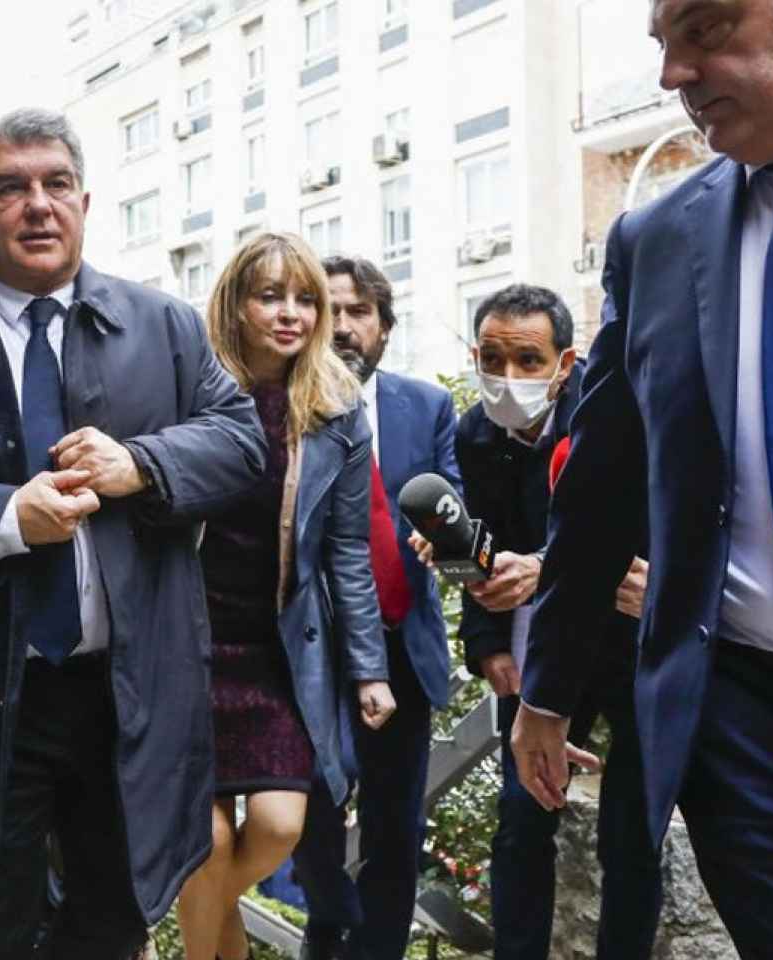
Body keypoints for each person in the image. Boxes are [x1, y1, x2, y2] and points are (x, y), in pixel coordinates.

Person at [0, 108, 266, 960]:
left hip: (126, 693)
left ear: (85, 199)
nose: (38, 205)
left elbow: (241, 438)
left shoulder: (165, 328)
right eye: (10, 188)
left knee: (109, 925)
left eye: (55, 184)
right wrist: (5, 519)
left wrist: (139, 464)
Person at [511, 2, 773, 956]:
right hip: (753, 737)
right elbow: (599, 488)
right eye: (662, 45)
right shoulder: (657, 239)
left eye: (707, 27)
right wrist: (546, 690)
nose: (675, 73)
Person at [176, 235, 395, 960]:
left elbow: (347, 555)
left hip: (279, 653)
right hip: (187, 647)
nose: (292, 313)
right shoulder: (188, 392)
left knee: (276, 826)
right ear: (235, 304)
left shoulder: (337, 410)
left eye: (305, 299)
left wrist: (368, 668)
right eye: (270, 296)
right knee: (203, 843)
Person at [444, 284, 661, 960]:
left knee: (631, 828)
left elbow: (640, 520)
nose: (509, 379)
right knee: (519, 822)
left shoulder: (612, 414)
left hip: (630, 639)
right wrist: (485, 645)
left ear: (565, 364)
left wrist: (552, 568)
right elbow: (475, 551)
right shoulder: (473, 433)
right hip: (542, 654)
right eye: (493, 358)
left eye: (529, 361)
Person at [289, 256, 460, 960]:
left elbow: (455, 503)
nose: (346, 326)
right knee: (310, 825)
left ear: (385, 329)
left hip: (401, 642)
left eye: (360, 312)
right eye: (332, 310)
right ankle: (326, 932)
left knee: (395, 830)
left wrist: (442, 534)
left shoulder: (427, 406)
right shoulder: (283, 405)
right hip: (311, 649)